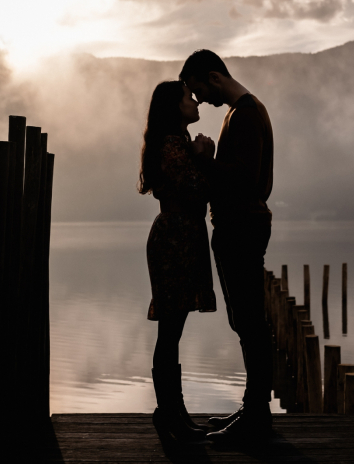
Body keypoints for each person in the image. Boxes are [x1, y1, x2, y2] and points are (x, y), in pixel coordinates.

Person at [179, 50, 275, 442]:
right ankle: (253, 410)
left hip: (241, 226)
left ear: (214, 77)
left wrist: (203, 160)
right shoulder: (242, 112)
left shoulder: (246, 113)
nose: (200, 100)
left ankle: (256, 417)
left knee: (249, 320)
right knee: (244, 320)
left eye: (200, 90)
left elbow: (243, 179)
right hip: (241, 225)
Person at [139, 80, 218, 442]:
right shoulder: (173, 145)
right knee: (170, 330)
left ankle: (173, 412)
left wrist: (199, 154)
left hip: (183, 236)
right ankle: (170, 412)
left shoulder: (176, 143)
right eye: (189, 97)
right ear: (175, 107)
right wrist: (204, 157)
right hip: (175, 239)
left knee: (173, 330)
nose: (195, 101)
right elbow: (196, 190)